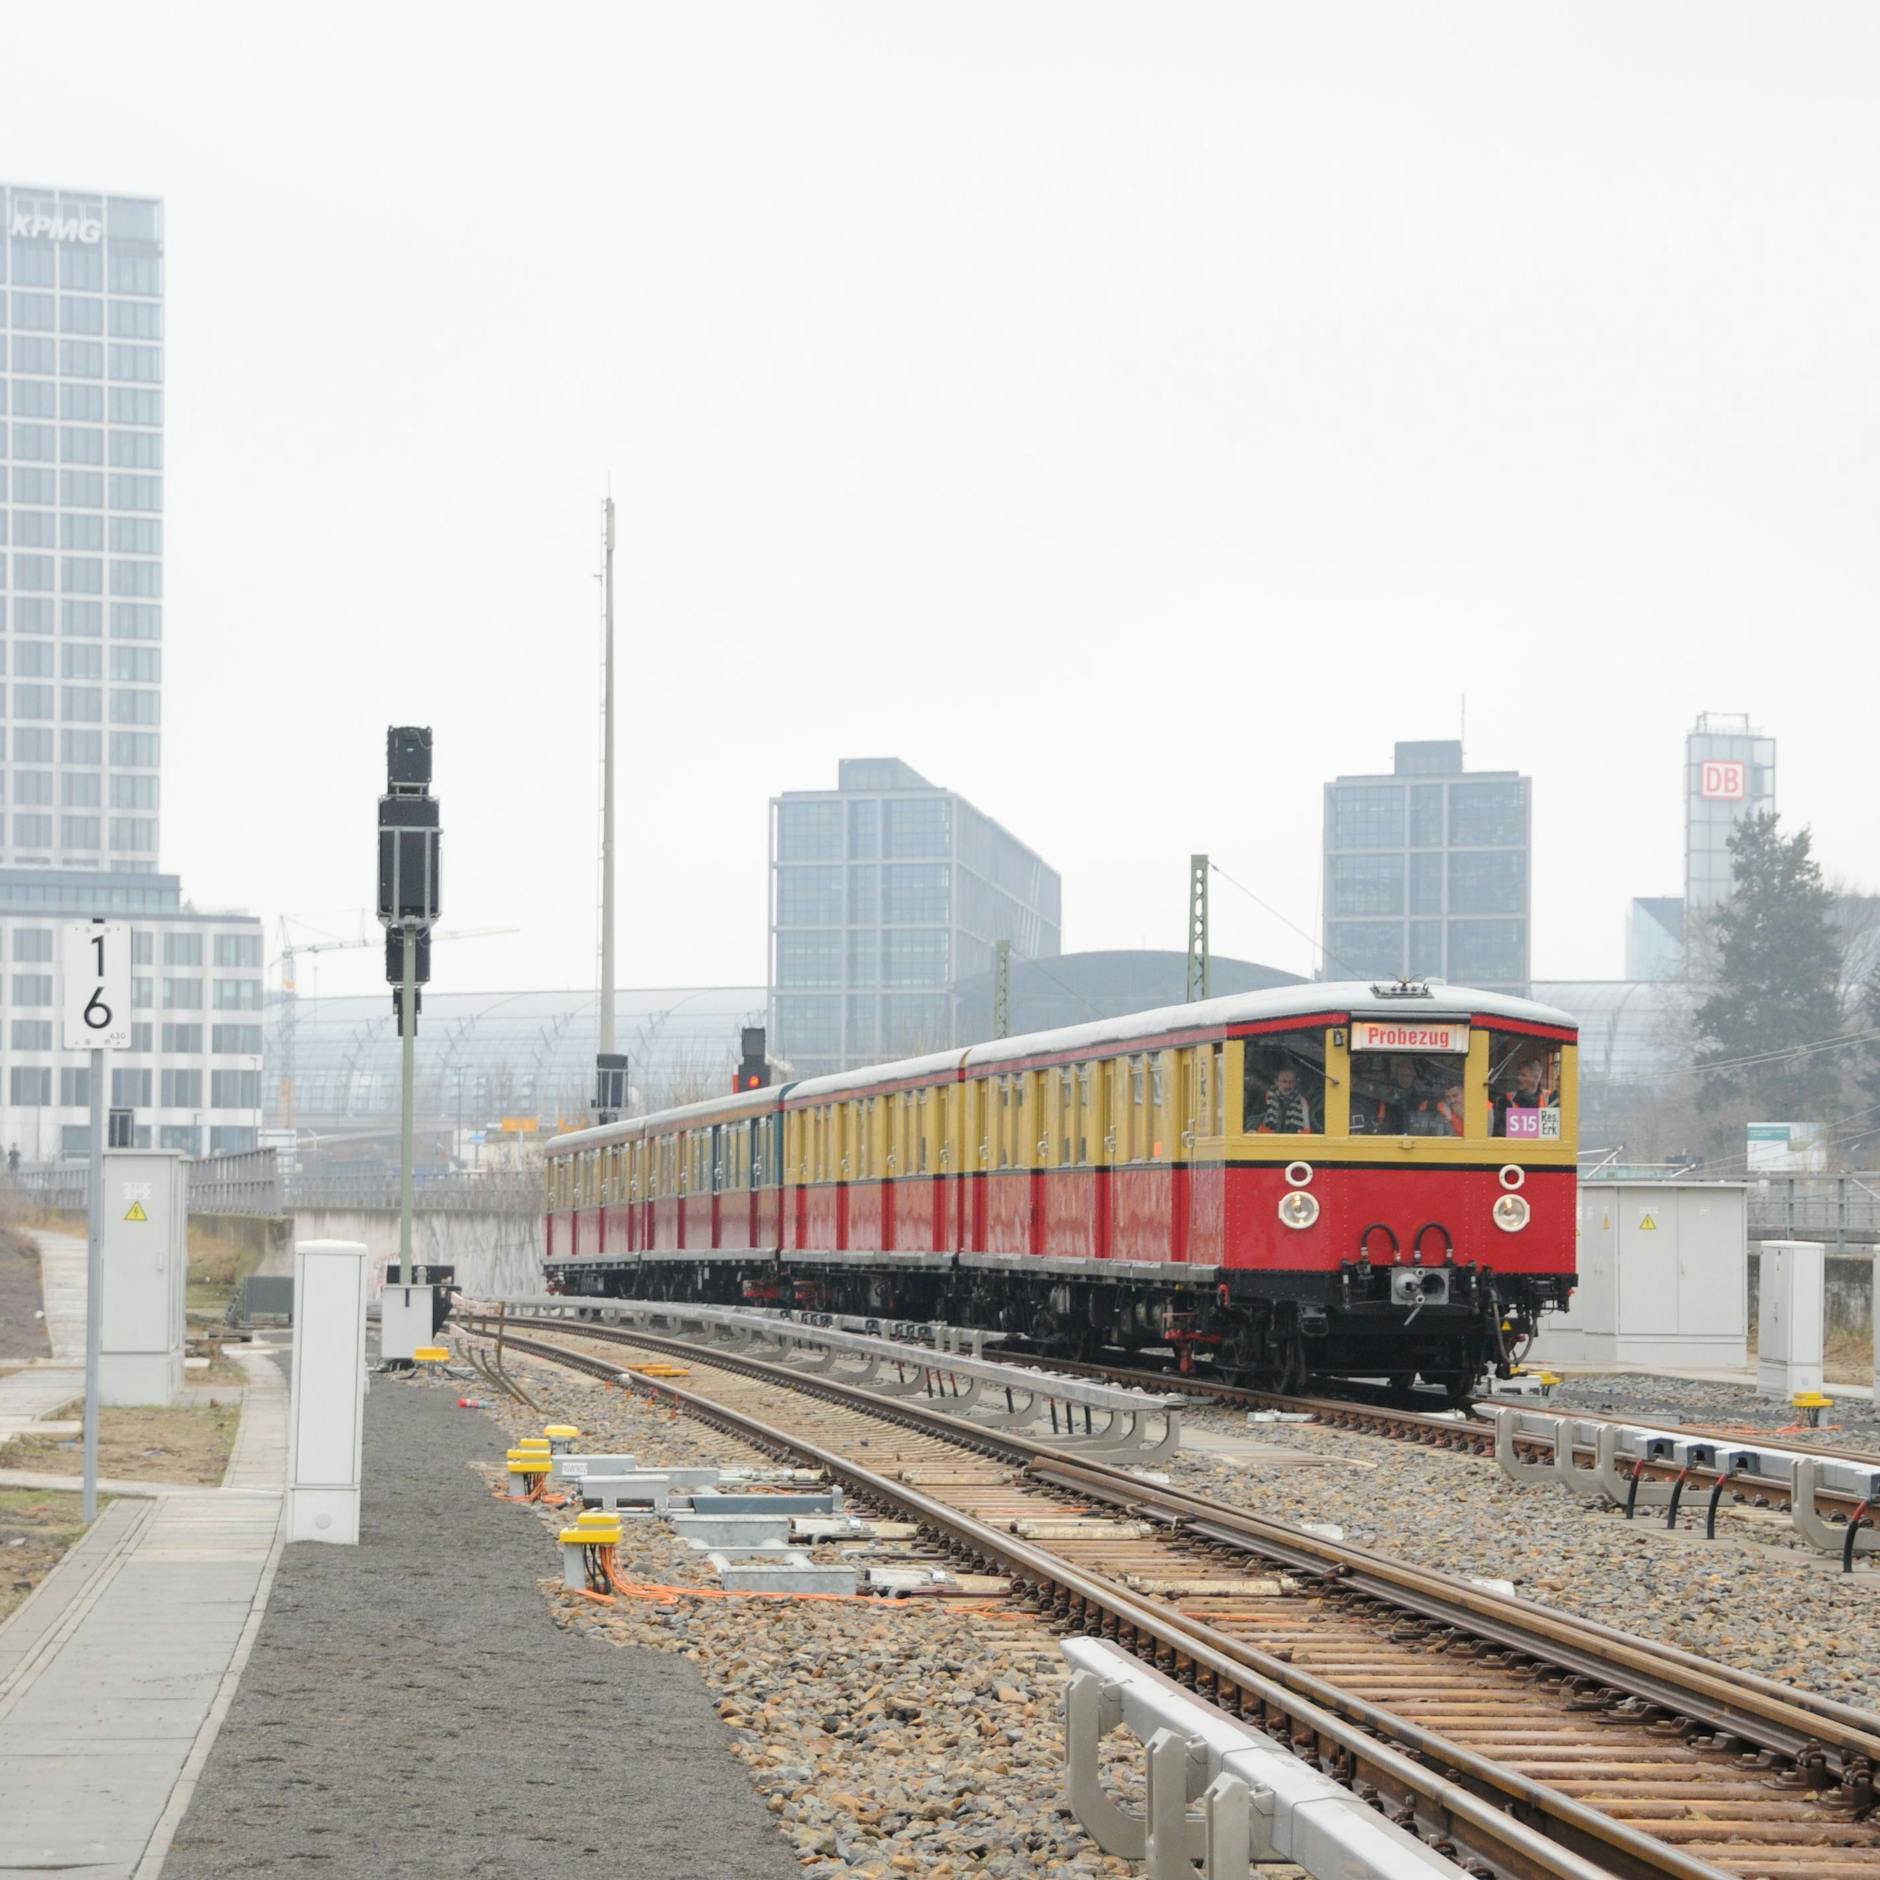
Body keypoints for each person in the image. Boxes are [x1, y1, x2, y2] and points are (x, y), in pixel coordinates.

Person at [1495, 1056, 1557, 1135]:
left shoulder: (1551, 1099)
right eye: (1518, 1074)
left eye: (1524, 1075)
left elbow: (1553, 1131)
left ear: (1536, 1078)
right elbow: (1500, 1131)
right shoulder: (1507, 1099)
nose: (1519, 1078)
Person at [1260, 1064, 1313, 1133]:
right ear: (1276, 1082)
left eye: (1291, 1082)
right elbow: (1255, 1123)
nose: (1288, 1086)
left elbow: (1306, 1130)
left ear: (1296, 1083)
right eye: (1284, 1081)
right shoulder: (1267, 1099)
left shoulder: (1302, 1102)